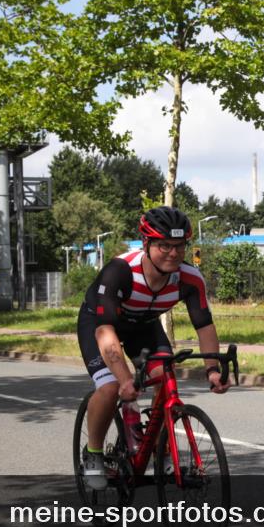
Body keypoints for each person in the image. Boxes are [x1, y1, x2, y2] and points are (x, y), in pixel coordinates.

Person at [76, 206, 230, 490]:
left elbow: (205, 326)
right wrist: (124, 378)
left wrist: (212, 370)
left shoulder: (190, 279)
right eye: (164, 246)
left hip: (143, 326)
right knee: (110, 387)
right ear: (146, 243)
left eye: (180, 246)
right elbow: (105, 332)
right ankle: (93, 454)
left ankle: (161, 449)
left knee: (165, 377)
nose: (173, 253)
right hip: (100, 324)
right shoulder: (119, 271)